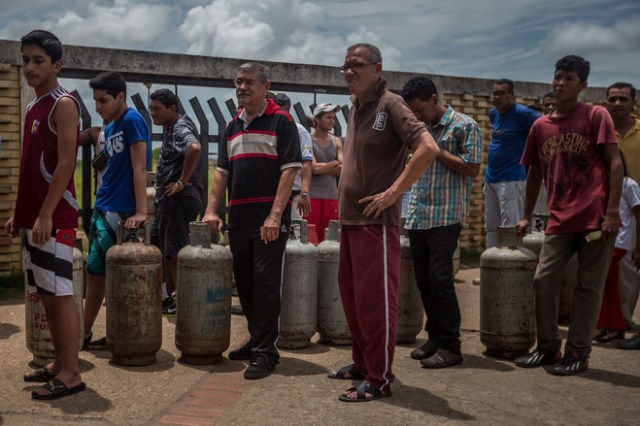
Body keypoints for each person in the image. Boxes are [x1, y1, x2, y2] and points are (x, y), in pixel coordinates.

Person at [328, 43, 439, 402]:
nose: (348, 72)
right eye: (345, 66)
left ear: (377, 68)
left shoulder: (391, 104)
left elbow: (428, 149)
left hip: (378, 224)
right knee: (354, 301)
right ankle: (363, 364)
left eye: (356, 65)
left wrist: (393, 192)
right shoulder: (355, 107)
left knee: (377, 305)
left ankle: (380, 378)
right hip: (351, 222)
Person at [514, 55, 623, 376]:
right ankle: (548, 347)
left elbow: (614, 164)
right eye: (558, 76)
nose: (560, 83)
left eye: (569, 79)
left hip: (595, 218)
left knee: (587, 286)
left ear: (583, 85)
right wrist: (525, 214)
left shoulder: (596, 116)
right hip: (559, 219)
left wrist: (612, 212)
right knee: (542, 281)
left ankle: (578, 351)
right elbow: (533, 173)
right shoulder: (540, 126)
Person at [202, 63, 301, 380]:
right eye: (238, 82)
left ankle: (266, 353)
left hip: (268, 219)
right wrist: (212, 210)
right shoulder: (231, 126)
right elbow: (222, 173)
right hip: (239, 217)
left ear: (266, 85)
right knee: (244, 283)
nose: (242, 87)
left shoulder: (282, 121)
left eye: (249, 82)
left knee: (265, 283)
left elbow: (290, 170)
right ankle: (257, 340)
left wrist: (275, 215)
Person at [6, 29, 85, 399]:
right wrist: (20, 214)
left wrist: (46, 214)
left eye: (38, 60)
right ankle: (58, 362)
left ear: (57, 65)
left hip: (56, 218)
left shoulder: (63, 103)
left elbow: (67, 162)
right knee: (46, 294)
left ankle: (71, 373)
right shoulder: (32, 106)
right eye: (25, 60)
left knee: (60, 293)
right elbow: (30, 167)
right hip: (36, 219)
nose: (30, 67)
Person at [400, 76, 481, 368]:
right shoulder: (419, 129)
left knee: (440, 280)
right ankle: (433, 338)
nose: (417, 117)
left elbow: (472, 168)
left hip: (446, 216)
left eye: (420, 110)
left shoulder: (464, 125)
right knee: (423, 280)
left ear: (435, 99)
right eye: (413, 113)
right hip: (418, 214)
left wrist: (434, 149)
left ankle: (451, 346)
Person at [83, 72, 151, 350]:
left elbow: (139, 168)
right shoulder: (110, 127)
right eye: (96, 101)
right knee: (98, 271)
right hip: (103, 203)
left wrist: (141, 212)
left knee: (97, 270)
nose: (98, 107)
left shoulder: (132, 120)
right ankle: (98, 330)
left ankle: (82, 333)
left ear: (120, 96)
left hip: (120, 208)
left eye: (104, 100)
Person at [148, 88, 202, 316]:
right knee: (160, 248)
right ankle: (164, 298)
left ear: (172, 109)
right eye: (150, 109)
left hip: (177, 199)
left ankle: (182, 303)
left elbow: (194, 148)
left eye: (157, 109)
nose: (152, 114)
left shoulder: (179, 127)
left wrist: (181, 181)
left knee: (174, 252)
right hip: (169, 200)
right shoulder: (173, 127)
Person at [484, 79, 540, 248]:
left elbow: (544, 126)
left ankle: (511, 270)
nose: (497, 97)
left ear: (512, 95)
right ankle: (491, 266)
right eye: (495, 93)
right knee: (491, 226)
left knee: (510, 226)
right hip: (490, 179)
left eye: (502, 93)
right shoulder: (493, 114)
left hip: (512, 178)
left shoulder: (522, 113)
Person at [605, 82, 640, 332]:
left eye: (623, 99)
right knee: (618, 273)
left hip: (636, 209)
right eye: (613, 99)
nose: (617, 103)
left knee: (630, 270)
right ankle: (619, 321)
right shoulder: (600, 132)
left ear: (634, 103)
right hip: (613, 211)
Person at [594, 155, 640, 343]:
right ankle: (613, 325)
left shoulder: (629, 184)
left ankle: (606, 325)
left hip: (621, 242)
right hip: (610, 241)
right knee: (608, 285)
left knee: (603, 283)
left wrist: (638, 248)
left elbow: (639, 216)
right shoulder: (605, 185)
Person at [306, 103, 343, 242]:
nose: (332, 121)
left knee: (330, 241)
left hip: (332, 198)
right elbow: (314, 168)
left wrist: (324, 167)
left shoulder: (337, 141)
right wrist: (334, 163)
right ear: (317, 119)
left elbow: (343, 168)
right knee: (311, 240)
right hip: (312, 198)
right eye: (328, 117)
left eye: (333, 118)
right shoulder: (308, 139)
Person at [274, 92, 312, 220]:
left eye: (277, 106)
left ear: (286, 108)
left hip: (293, 192)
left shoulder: (299, 131)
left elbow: (306, 162)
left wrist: (304, 192)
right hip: (271, 191)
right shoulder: (269, 128)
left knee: (294, 233)